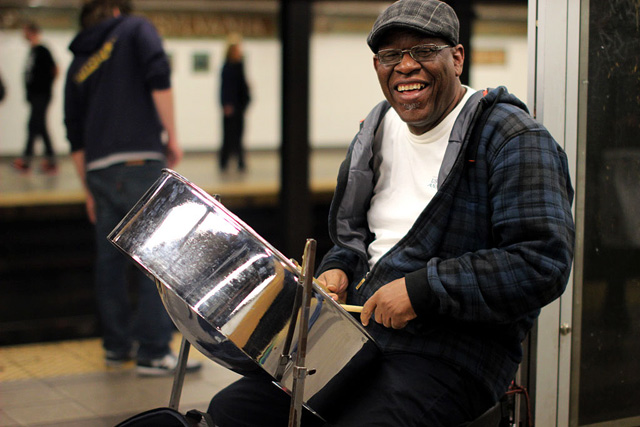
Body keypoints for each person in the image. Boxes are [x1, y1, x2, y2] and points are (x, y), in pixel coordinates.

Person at [207, 0, 575, 425]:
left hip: (452, 353)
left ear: (457, 58)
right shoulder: (375, 131)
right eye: (390, 55)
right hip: (356, 340)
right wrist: (339, 269)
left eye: (423, 51)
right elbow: (353, 241)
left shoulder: (513, 139)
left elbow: (541, 262)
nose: (405, 66)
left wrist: (423, 291)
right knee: (234, 411)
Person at [64, 0, 201, 376]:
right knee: (156, 258)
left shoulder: (78, 61)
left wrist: (88, 189)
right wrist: (171, 137)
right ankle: (154, 352)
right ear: (114, 10)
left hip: (97, 171)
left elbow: (73, 130)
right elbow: (158, 75)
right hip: (139, 161)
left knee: (109, 264)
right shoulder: (135, 28)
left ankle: (116, 347)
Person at [13, 21, 58, 174]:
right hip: (36, 97)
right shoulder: (32, 51)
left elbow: (55, 69)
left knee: (33, 126)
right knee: (40, 127)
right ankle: (51, 161)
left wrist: (45, 88)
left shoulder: (42, 50)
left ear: (31, 32)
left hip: (41, 96)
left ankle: (26, 161)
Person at [219, 36, 250, 172]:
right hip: (231, 107)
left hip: (239, 106)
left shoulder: (239, 66)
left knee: (239, 135)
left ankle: (240, 161)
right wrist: (226, 103)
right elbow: (226, 88)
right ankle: (225, 161)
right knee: (229, 135)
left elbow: (242, 86)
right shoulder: (228, 67)